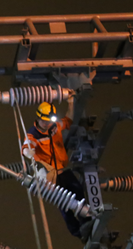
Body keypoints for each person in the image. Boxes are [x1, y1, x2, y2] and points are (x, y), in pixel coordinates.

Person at [21, 95, 89, 238]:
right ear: (38, 118)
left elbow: (68, 120)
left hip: (63, 171)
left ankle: (87, 222)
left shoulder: (55, 127)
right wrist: (28, 152)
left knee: (78, 191)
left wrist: (70, 102)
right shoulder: (33, 134)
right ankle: (77, 231)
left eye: (49, 121)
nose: (47, 124)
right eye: (44, 121)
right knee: (64, 205)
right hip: (51, 176)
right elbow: (27, 146)